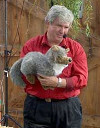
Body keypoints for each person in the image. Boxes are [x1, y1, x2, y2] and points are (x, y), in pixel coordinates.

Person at [20, 5, 88, 128]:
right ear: (48, 22)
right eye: (58, 25)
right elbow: (23, 74)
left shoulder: (75, 48)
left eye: (66, 27)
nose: (62, 31)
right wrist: (36, 76)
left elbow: (82, 79)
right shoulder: (31, 46)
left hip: (68, 109)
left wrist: (58, 82)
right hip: (37, 108)